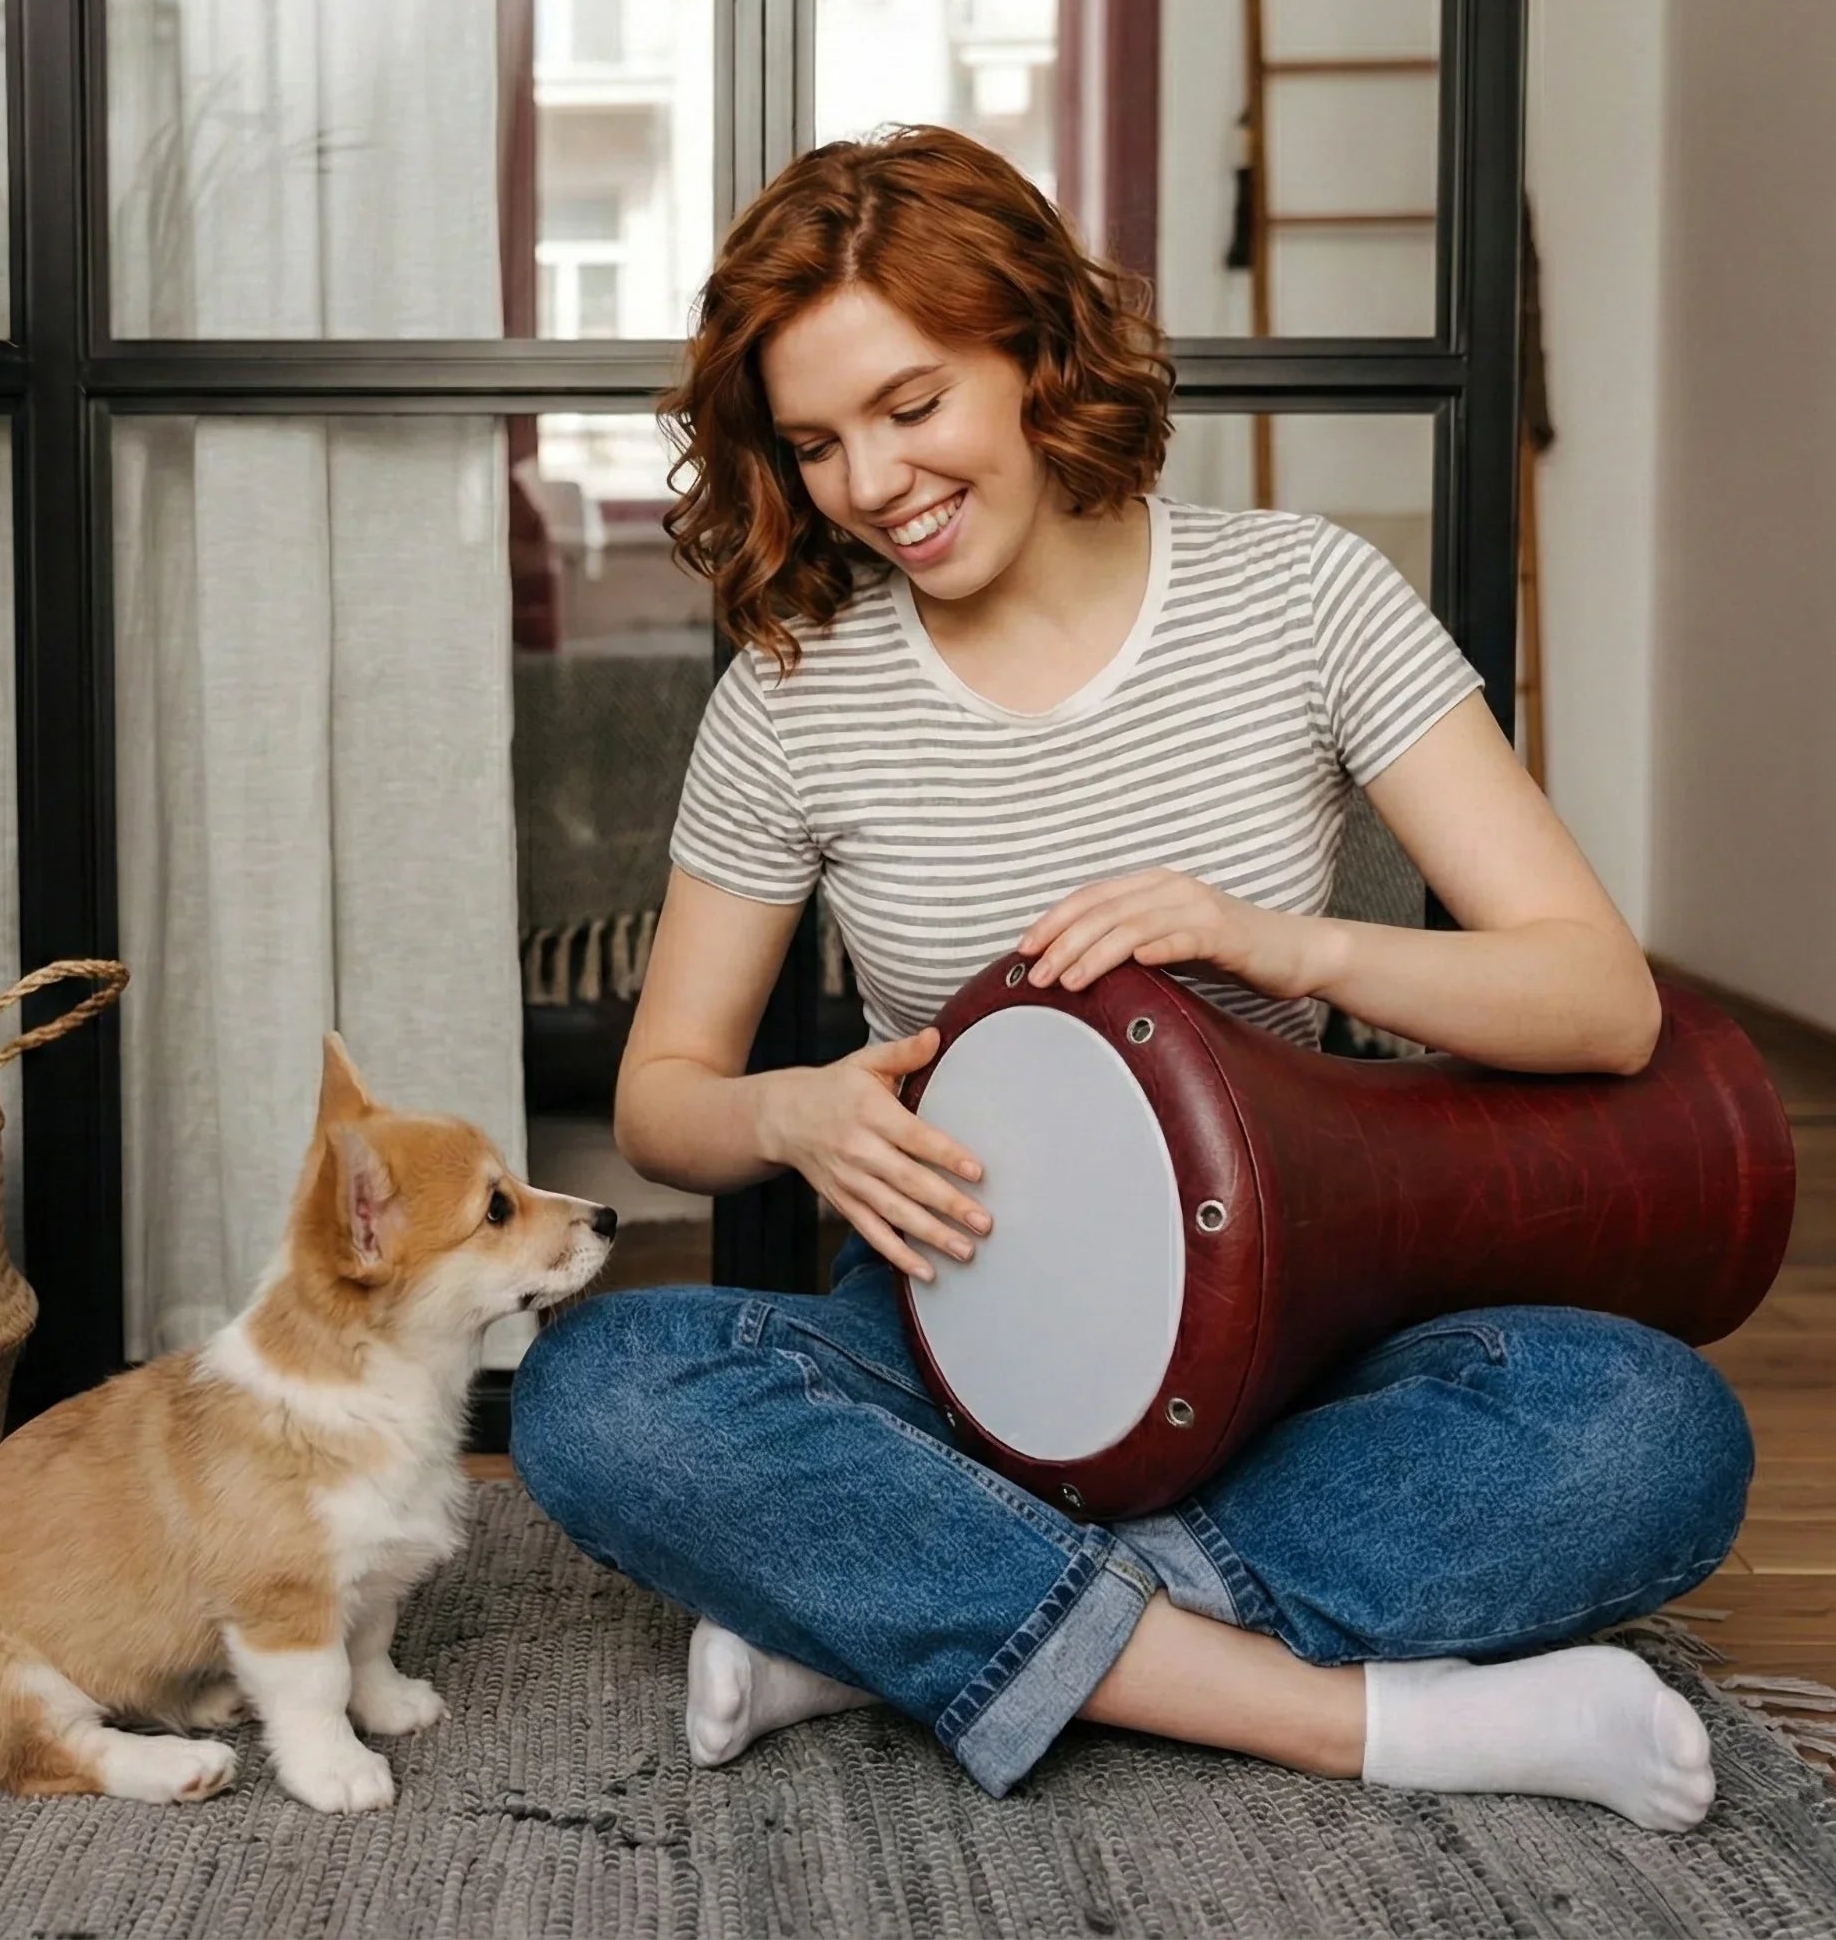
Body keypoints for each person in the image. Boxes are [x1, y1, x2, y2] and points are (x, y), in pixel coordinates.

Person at [510, 125, 1748, 1828]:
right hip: (957, 1338)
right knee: (599, 1395)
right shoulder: (792, 696)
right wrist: (791, 1116)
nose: (873, 484)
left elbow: (1599, 1002)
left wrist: (1271, 938)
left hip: (1312, 1320)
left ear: (1036, 352)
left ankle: (899, 1627)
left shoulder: (1303, 596)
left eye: (913, 404)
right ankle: (1357, 1721)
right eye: (814, 444)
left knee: (1649, 1434)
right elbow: (663, 1105)